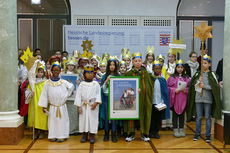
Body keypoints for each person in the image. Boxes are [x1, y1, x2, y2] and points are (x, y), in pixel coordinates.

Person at [187, 55, 222, 142]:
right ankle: (197, 134)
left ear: (209, 64)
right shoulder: (198, 74)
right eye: (202, 63)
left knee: (207, 117)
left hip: (208, 99)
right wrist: (197, 82)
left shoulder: (212, 74)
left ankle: (208, 135)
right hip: (198, 98)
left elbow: (215, 87)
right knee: (198, 117)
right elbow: (192, 86)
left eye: (205, 63)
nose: (203, 65)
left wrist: (204, 86)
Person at [38, 61, 74, 142]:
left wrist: (66, 95)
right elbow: (44, 94)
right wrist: (44, 105)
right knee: (53, 121)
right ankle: (53, 135)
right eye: (54, 70)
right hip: (53, 106)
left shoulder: (63, 82)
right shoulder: (47, 83)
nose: (56, 72)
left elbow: (71, 87)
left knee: (62, 121)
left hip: (62, 106)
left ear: (60, 71)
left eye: (57, 70)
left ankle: (62, 135)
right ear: (51, 71)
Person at [124, 52, 153, 142]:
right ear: (133, 62)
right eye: (136, 61)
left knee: (144, 114)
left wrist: (143, 90)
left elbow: (149, 86)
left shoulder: (146, 73)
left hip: (143, 98)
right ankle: (131, 133)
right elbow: (125, 86)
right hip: (132, 100)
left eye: (139, 61)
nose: (137, 62)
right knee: (131, 115)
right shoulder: (128, 73)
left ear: (142, 62)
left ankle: (144, 134)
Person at [74, 64, 102, 144]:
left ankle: (92, 134)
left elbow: (98, 94)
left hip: (93, 105)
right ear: (84, 74)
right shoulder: (82, 84)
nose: (90, 74)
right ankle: (84, 134)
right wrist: (79, 106)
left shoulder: (96, 84)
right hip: (84, 105)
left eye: (91, 73)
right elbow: (78, 96)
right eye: (88, 73)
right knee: (83, 120)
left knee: (93, 120)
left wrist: (96, 103)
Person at [167, 60, 190, 137]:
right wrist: (174, 90)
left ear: (184, 68)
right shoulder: (172, 77)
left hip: (183, 99)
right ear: (176, 68)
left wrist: (185, 90)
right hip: (175, 99)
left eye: (181, 67)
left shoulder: (186, 78)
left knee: (182, 115)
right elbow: (168, 88)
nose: (180, 69)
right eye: (178, 67)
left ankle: (181, 129)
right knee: (175, 115)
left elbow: (190, 88)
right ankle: (175, 129)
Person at [100, 56, 120, 143]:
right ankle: (106, 133)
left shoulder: (118, 76)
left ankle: (114, 134)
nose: (112, 66)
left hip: (115, 99)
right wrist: (106, 82)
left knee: (114, 117)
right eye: (110, 65)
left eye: (113, 65)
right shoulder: (104, 76)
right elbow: (102, 90)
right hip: (106, 98)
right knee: (107, 117)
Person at [149, 60, 170, 139]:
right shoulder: (151, 79)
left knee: (158, 118)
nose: (157, 70)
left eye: (158, 69)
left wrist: (163, 101)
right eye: (155, 68)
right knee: (152, 118)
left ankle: (156, 132)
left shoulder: (162, 79)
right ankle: (151, 132)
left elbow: (165, 92)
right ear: (153, 69)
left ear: (161, 69)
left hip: (160, 102)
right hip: (152, 102)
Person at [27, 64, 48, 139]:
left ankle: (42, 131)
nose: (40, 74)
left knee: (42, 116)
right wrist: (30, 93)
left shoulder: (45, 82)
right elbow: (27, 92)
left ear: (44, 73)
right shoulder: (32, 82)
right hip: (34, 101)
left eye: (41, 72)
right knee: (34, 116)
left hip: (42, 102)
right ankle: (35, 131)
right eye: (38, 72)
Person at [161, 49, 177, 130]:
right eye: (169, 56)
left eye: (172, 57)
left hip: (175, 90)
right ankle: (165, 124)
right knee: (166, 106)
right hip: (166, 90)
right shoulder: (165, 67)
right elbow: (162, 78)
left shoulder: (178, 66)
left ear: (175, 57)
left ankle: (172, 124)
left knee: (173, 107)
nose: (170, 58)